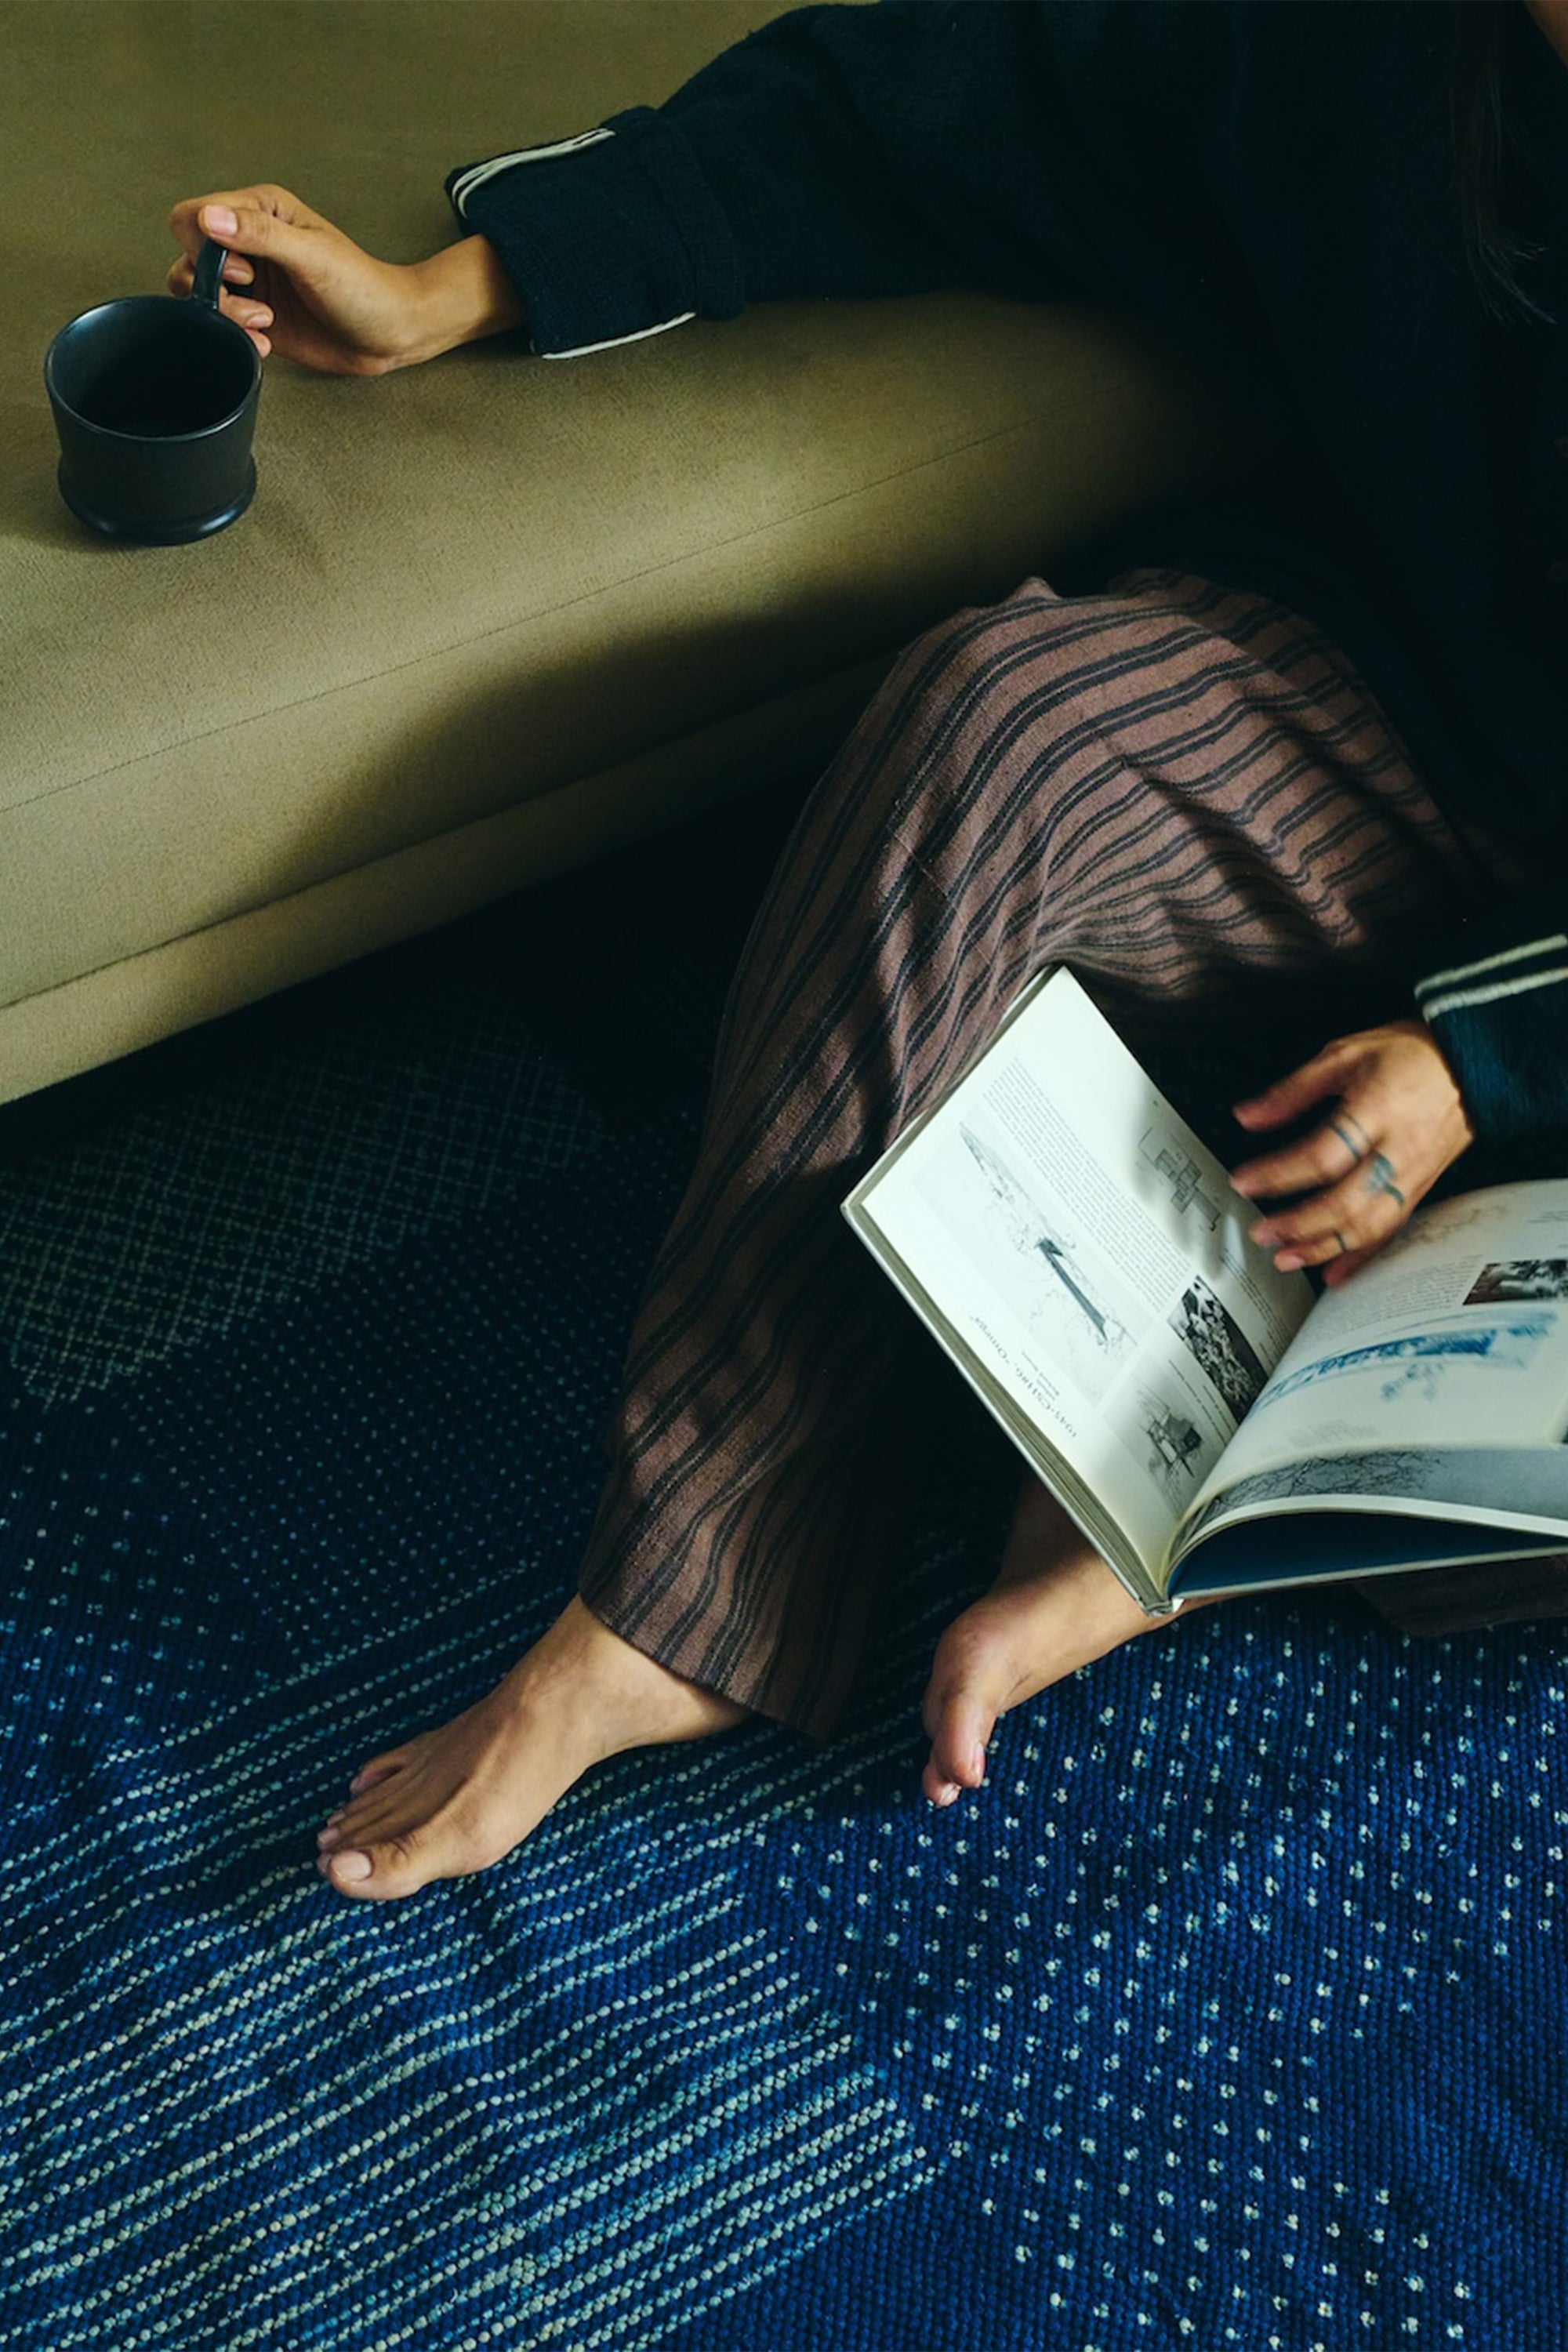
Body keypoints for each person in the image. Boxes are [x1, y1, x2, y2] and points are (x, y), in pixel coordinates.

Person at [166, 0, 1568, 1901]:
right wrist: (456, 289)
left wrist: (1479, 1057)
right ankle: (692, 1605)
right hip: (1381, 729)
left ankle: (1164, 1523)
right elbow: (972, 91)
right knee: (996, 723)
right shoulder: (1388, 44)